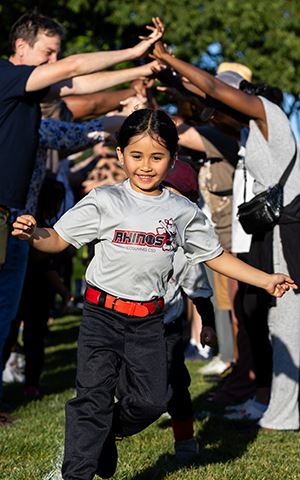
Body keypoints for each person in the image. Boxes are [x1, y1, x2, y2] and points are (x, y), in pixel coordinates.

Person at [12, 108, 295, 479]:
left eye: (157, 157)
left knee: (151, 402)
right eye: (137, 155)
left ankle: (103, 432)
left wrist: (263, 279)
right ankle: (78, 469)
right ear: (120, 155)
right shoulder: (105, 200)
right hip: (101, 317)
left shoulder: (182, 211)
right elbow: (58, 240)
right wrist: (34, 233)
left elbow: (216, 257)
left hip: (148, 322)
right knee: (91, 400)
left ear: (172, 159)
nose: (146, 166)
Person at [152, 41, 300, 430]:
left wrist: (170, 58)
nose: (218, 112)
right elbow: (213, 102)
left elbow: (219, 94)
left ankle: (284, 414)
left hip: (287, 235)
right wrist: (174, 82)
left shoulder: (270, 117)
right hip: (269, 235)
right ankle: (271, 402)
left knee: (286, 322)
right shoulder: (252, 133)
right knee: (266, 320)